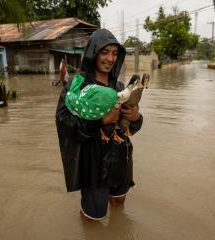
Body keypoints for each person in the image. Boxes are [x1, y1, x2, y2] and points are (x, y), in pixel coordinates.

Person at [55, 29, 143, 220]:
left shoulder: (120, 88)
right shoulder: (76, 87)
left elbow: (131, 129)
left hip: (121, 158)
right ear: (92, 53)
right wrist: (101, 121)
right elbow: (65, 123)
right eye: (104, 52)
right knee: (94, 217)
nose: (110, 58)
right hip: (94, 163)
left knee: (118, 203)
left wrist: (136, 117)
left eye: (114, 53)